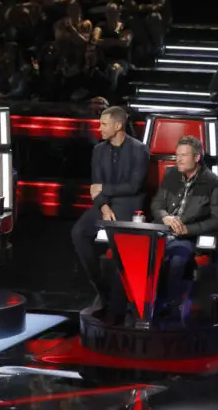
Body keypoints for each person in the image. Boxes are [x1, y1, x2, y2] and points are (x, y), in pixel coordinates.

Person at [71, 106, 149, 317]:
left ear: (118, 125)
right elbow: (95, 186)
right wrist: (104, 206)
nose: (100, 128)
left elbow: (134, 186)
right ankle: (102, 288)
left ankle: (118, 305)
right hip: (105, 204)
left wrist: (104, 189)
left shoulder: (139, 149)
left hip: (128, 204)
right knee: (79, 232)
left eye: (104, 124)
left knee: (118, 246)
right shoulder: (98, 150)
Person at [151, 135, 218, 319]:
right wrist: (165, 217)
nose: (178, 159)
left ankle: (170, 306)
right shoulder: (171, 175)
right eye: (177, 155)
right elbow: (156, 204)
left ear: (197, 157)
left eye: (183, 155)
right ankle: (141, 304)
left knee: (176, 260)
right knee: (143, 255)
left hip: (186, 236)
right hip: (161, 231)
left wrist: (188, 230)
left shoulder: (213, 183)